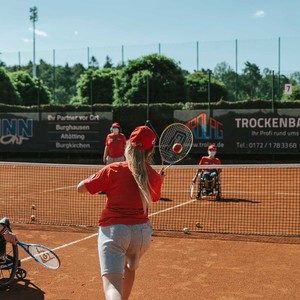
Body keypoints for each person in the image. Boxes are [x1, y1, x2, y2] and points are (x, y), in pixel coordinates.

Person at [77, 125, 164, 300]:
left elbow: (80, 188)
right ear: (151, 150)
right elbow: (154, 198)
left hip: (115, 232)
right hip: (142, 235)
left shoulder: (113, 169)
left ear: (128, 146)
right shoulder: (153, 175)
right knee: (129, 268)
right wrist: (159, 180)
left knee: (112, 288)